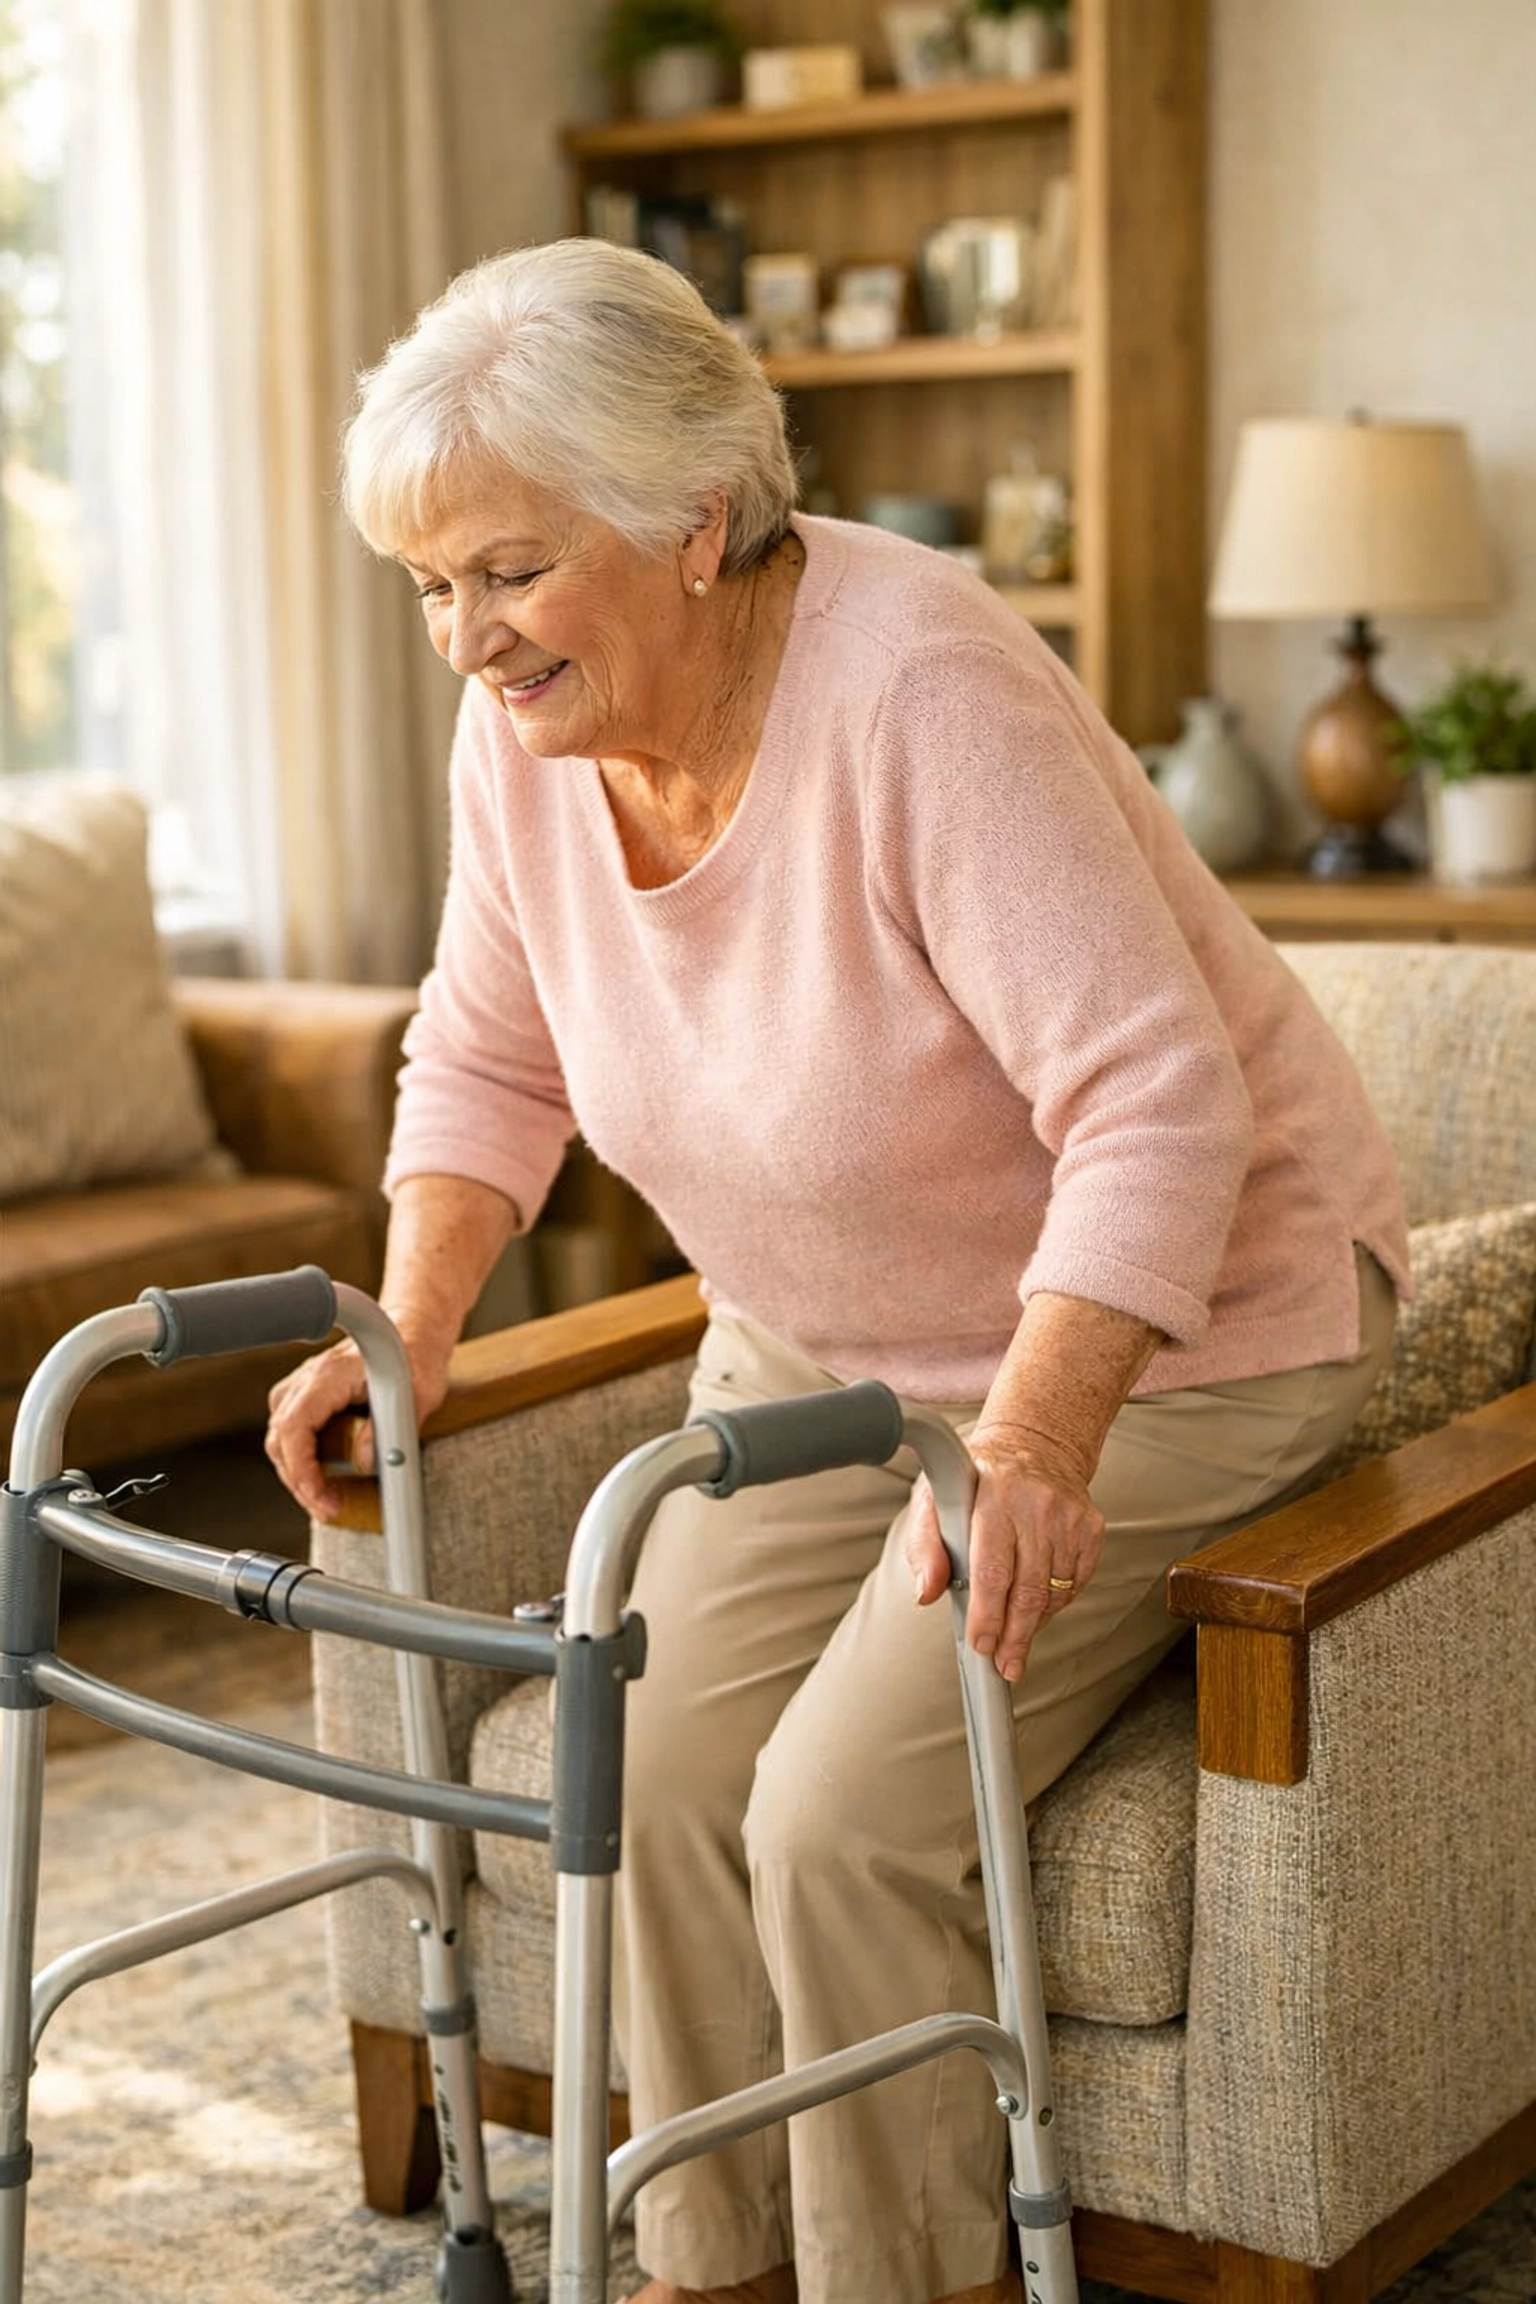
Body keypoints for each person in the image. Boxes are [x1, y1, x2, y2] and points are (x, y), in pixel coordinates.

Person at [265, 239, 1408, 2304]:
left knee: (837, 1821)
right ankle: (719, 2269)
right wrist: (411, 1322)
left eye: (509, 572)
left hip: (1172, 1337)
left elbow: (1158, 1108)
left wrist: (1042, 1446)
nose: (469, 639)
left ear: (694, 525)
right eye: (433, 588)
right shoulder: (531, 750)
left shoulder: (918, 688)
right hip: (822, 1348)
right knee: (659, 1767)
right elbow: (490, 1053)